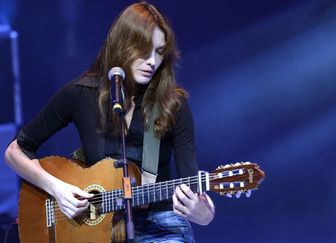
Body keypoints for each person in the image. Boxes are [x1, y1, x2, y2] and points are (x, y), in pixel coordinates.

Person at [4, 1, 215, 242]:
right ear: (123, 44)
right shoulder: (80, 94)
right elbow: (15, 151)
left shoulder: (173, 104)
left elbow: (193, 186)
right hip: (95, 229)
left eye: (159, 52)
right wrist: (57, 189)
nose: (152, 62)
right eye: (144, 50)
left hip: (160, 225)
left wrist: (204, 213)